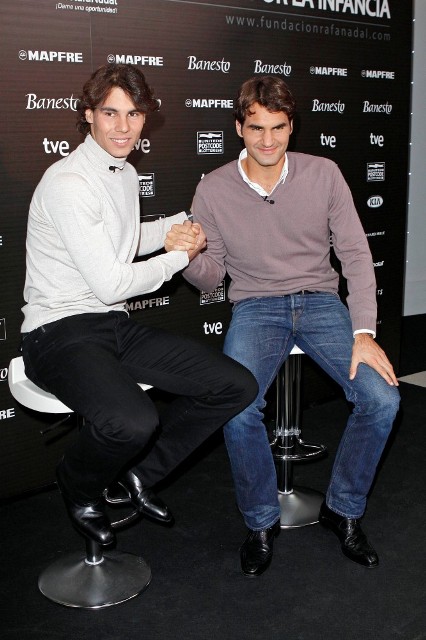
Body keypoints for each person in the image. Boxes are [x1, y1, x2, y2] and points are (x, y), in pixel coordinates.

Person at [20, 63, 257, 548]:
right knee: (132, 420)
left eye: (134, 114)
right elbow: (111, 283)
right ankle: (77, 484)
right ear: (89, 115)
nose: (123, 127)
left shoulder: (123, 172)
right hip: (57, 332)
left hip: (111, 326)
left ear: (145, 117)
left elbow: (119, 241)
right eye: (110, 113)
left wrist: (175, 226)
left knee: (235, 385)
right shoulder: (69, 183)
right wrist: (178, 256)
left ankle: (138, 474)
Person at [181, 75, 400, 577]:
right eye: (256, 127)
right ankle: (261, 522)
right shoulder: (213, 188)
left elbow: (355, 255)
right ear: (239, 127)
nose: (268, 140)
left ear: (291, 126)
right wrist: (188, 256)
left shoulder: (324, 173)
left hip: (321, 303)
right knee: (237, 407)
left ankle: (343, 509)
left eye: (278, 127)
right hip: (256, 306)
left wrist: (363, 332)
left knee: (383, 399)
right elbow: (211, 277)